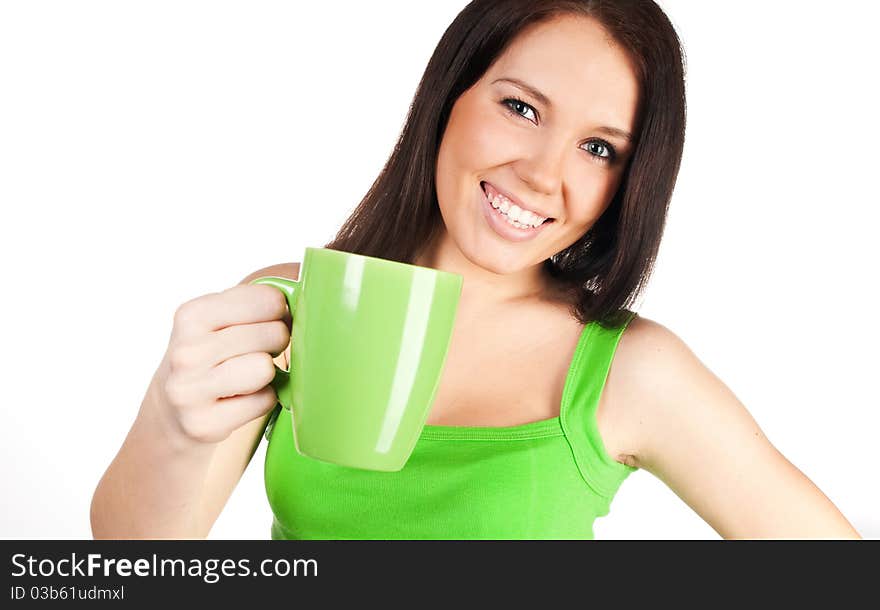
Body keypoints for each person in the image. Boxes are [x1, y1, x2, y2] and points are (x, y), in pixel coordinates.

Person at [90, 0, 862, 540]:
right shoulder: (298, 303)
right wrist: (175, 416)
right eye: (521, 108)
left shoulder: (630, 371)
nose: (540, 174)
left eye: (599, 149)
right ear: (447, 98)